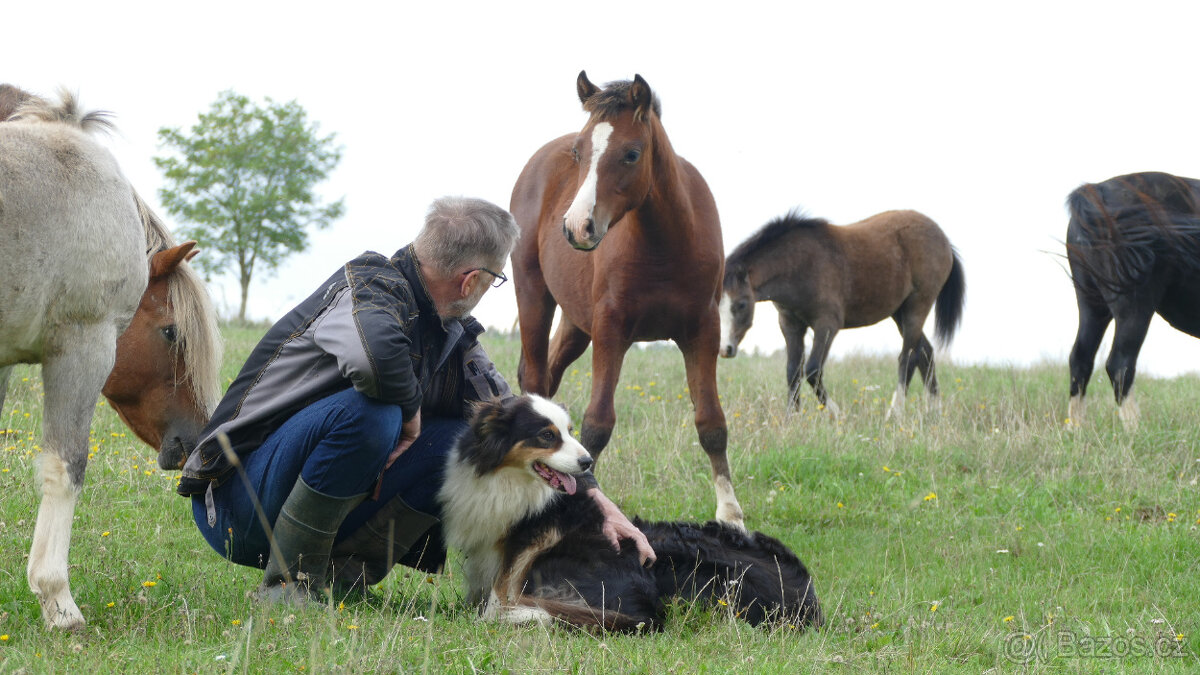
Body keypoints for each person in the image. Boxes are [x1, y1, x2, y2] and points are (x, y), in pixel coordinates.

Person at [177, 196, 654, 601]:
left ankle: (344, 579)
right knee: (373, 414)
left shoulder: (452, 333)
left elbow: (514, 418)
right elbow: (374, 360)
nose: (490, 291)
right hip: (238, 506)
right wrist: (410, 418)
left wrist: (598, 504)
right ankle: (290, 587)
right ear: (471, 280)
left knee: (466, 442)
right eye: (496, 280)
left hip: (291, 502)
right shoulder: (367, 287)